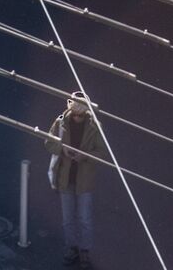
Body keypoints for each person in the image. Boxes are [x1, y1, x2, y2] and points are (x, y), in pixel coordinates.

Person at [45, 90, 104, 259]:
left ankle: (84, 250)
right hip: (65, 178)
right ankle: (71, 247)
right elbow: (48, 142)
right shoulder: (61, 122)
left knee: (84, 219)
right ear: (70, 109)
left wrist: (84, 155)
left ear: (85, 112)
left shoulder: (95, 127)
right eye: (75, 114)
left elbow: (102, 153)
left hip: (84, 180)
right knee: (67, 219)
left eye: (80, 115)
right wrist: (62, 149)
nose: (77, 117)